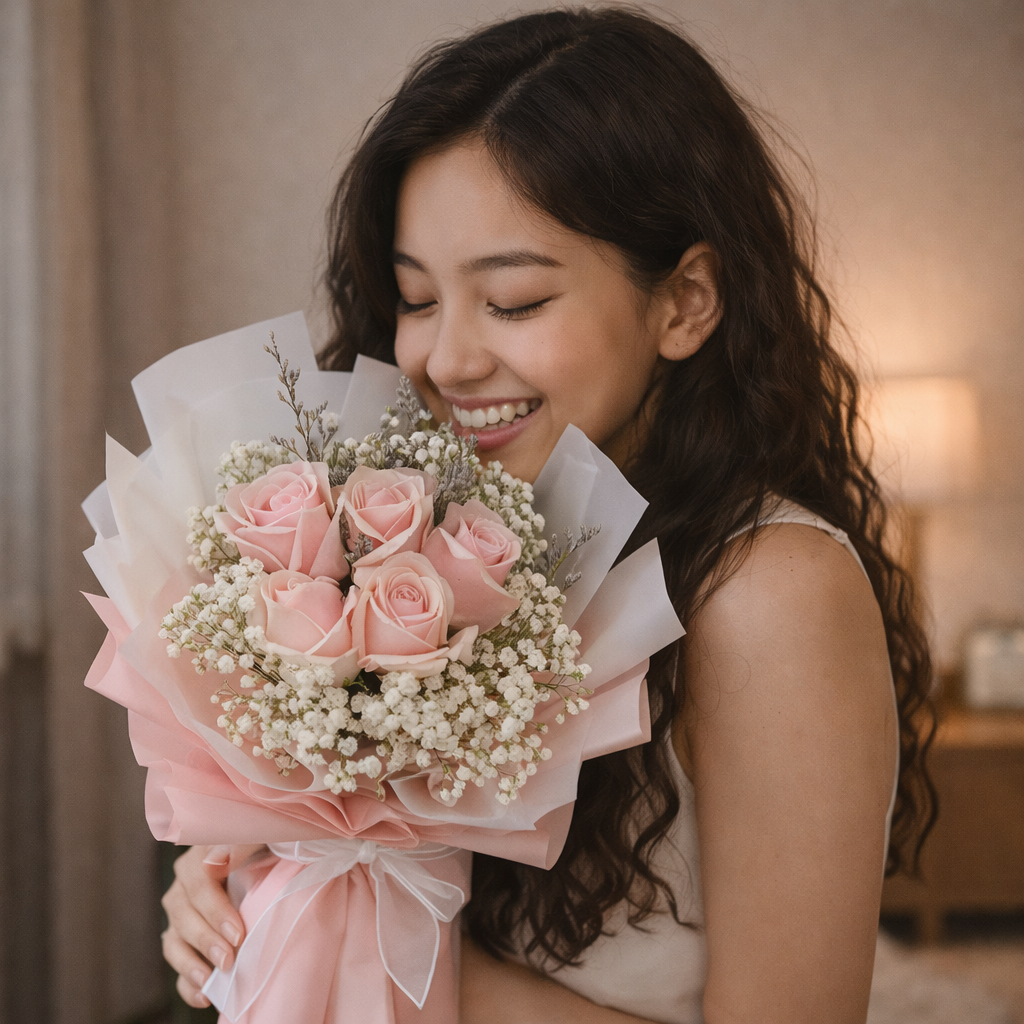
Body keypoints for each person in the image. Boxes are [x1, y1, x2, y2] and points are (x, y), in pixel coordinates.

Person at [160, 8, 935, 1022]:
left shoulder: (767, 592)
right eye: (416, 297)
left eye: (514, 301)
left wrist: (373, 938)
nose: (445, 360)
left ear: (686, 302)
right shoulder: (449, 548)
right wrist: (259, 888)